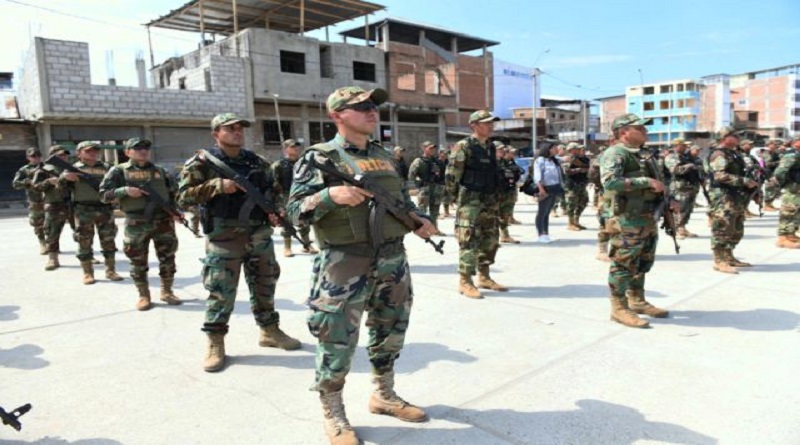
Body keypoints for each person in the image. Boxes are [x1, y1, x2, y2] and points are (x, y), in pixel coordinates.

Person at [286, 86, 435, 445]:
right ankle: (333, 412)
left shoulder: (384, 156)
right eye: (362, 106)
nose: (372, 111)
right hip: (344, 262)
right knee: (336, 338)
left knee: (390, 330)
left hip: (392, 258)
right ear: (336, 115)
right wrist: (328, 196)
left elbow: (401, 201)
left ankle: (384, 394)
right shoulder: (319, 157)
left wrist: (419, 218)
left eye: (374, 106)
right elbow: (293, 212)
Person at [178, 113, 301, 373]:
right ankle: (215, 342)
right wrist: (216, 186)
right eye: (230, 128)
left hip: (258, 234)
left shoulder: (257, 161)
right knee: (221, 290)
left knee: (265, 283)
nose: (237, 132)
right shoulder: (201, 162)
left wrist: (276, 211)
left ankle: (269, 330)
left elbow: (272, 192)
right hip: (224, 237)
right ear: (216, 134)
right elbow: (183, 197)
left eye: (239, 128)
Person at [600, 113, 672, 329]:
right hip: (626, 220)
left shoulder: (643, 154)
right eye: (639, 128)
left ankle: (637, 300)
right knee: (623, 264)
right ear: (624, 132)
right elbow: (610, 182)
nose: (645, 131)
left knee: (642, 262)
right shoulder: (616, 153)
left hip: (646, 217)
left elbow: (660, 180)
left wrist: (669, 200)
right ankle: (619, 308)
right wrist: (645, 181)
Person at [99, 138, 183, 310]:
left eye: (146, 148)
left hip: (163, 222)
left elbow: (173, 193)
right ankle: (144, 295)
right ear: (127, 152)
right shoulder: (118, 171)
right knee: (137, 261)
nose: (143, 151)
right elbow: (103, 195)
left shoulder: (160, 171)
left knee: (168, 258)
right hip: (136, 223)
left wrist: (176, 211)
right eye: (137, 148)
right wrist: (124, 191)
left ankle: (167, 291)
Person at [445, 109, 508, 299]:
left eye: (492, 123)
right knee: (469, 240)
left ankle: (484, 277)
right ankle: (465, 281)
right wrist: (456, 199)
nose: (491, 126)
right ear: (474, 125)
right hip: (470, 203)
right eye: (486, 123)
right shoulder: (463, 146)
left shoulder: (490, 147)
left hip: (489, 201)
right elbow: (452, 176)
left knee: (490, 240)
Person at [62, 141, 124, 284]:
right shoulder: (72, 169)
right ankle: (88, 273)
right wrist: (64, 178)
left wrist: (116, 196)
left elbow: (117, 184)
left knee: (108, 240)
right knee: (84, 241)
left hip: (105, 208)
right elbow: (60, 188)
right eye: (88, 151)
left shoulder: (107, 168)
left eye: (95, 150)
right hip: (83, 209)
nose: (93, 153)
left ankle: (111, 271)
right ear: (79, 153)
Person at [706, 127, 758, 274]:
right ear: (725, 138)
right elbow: (719, 176)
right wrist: (744, 181)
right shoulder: (719, 154)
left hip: (735, 195)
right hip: (723, 196)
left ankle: (728, 256)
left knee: (736, 228)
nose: (738, 138)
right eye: (734, 135)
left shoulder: (733, 153)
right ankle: (719, 260)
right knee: (723, 227)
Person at [271, 138, 319, 257]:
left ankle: (306, 245)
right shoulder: (278, 165)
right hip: (285, 196)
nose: (296, 149)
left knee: (304, 219)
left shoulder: (303, 163)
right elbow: (273, 184)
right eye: (292, 147)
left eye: (297, 146)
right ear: (285, 149)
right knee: (286, 222)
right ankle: (287, 247)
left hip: (301, 194)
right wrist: (277, 203)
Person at [32, 145, 72, 271]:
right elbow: (36, 187)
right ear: (52, 156)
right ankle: (53, 258)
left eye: (65, 155)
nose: (64, 157)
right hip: (54, 205)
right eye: (60, 155)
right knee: (52, 233)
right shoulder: (44, 170)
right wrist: (48, 182)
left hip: (73, 204)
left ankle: (87, 255)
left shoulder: (71, 168)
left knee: (82, 231)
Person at [664, 138, 701, 239]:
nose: (686, 147)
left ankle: (682, 228)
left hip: (690, 187)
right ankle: (675, 230)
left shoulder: (686, 157)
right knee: (679, 210)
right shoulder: (671, 157)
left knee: (687, 210)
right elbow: (675, 170)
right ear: (677, 145)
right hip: (679, 188)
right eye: (683, 145)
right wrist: (689, 166)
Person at [12, 147, 47, 255]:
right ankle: (42, 243)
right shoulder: (24, 170)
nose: (36, 158)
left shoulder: (47, 167)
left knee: (52, 223)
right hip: (35, 200)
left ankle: (53, 245)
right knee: (38, 223)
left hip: (50, 199)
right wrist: (28, 181)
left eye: (38, 156)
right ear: (28, 157)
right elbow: (15, 184)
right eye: (33, 156)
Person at [408, 140, 446, 234]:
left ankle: (434, 229)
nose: (432, 150)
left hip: (436, 189)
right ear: (424, 148)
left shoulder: (437, 161)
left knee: (435, 210)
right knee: (422, 210)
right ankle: (422, 230)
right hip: (424, 189)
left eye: (433, 148)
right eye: (430, 148)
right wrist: (419, 184)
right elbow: (411, 176)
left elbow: (442, 174)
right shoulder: (418, 161)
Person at [532, 144, 564, 244]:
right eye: (554, 148)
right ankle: (540, 234)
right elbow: (537, 176)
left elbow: (565, 159)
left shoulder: (554, 160)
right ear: (548, 149)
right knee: (541, 212)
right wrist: (541, 189)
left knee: (547, 212)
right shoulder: (540, 160)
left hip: (554, 188)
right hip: (545, 188)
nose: (556, 149)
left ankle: (546, 233)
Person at [772, 135, 800, 248]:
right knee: (788, 212)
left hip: (797, 188)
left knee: (796, 211)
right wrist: (786, 183)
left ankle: (791, 234)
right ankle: (783, 238)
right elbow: (779, 172)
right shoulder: (791, 155)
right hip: (792, 188)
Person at [496, 142, 522, 243]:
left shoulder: (506, 162)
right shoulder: (490, 162)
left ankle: (505, 235)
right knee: (492, 216)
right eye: (500, 149)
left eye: (503, 149)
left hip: (507, 190)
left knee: (505, 214)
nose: (502, 151)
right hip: (495, 193)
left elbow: (515, 174)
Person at [588, 143, 610, 261]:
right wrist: (602, 186)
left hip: (632, 195)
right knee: (605, 221)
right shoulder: (605, 155)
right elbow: (593, 174)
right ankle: (602, 250)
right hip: (608, 194)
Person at [562, 142, 591, 231]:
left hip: (582, 184)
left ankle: (576, 221)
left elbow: (588, 168)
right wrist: (579, 170)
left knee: (584, 201)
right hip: (572, 185)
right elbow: (566, 171)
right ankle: (570, 223)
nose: (579, 150)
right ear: (571, 150)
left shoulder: (583, 159)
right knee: (571, 204)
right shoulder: (568, 158)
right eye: (577, 149)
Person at [504, 147, 524, 225]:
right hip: (506, 185)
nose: (513, 154)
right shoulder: (504, 161)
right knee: (506, 203)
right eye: (511, 152)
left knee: (512, 201)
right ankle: (505, 219)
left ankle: (510, 217)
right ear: (507, 153)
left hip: (513, 184)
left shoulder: (512, 161)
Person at [762, 140, 782, 211]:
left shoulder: (776, 153)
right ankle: (766, 205)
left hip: (775, 173)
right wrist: (779, 162)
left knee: (775, 189)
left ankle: (770, 204)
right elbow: (768, 164)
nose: (776, 145)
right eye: (774, 144)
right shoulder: (766, 153)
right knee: (770, 189)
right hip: (769, 173)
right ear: (769, 145)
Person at [438, 148, 453, 218]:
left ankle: (446, 212)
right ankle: (437, 213)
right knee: (438, 198)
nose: (445, 155)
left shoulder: (448, 162)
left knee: (447, 198)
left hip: (447, 182)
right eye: (443, 153)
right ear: (440, 154)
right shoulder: (437, 162)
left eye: (446, 154)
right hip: (439, 182)